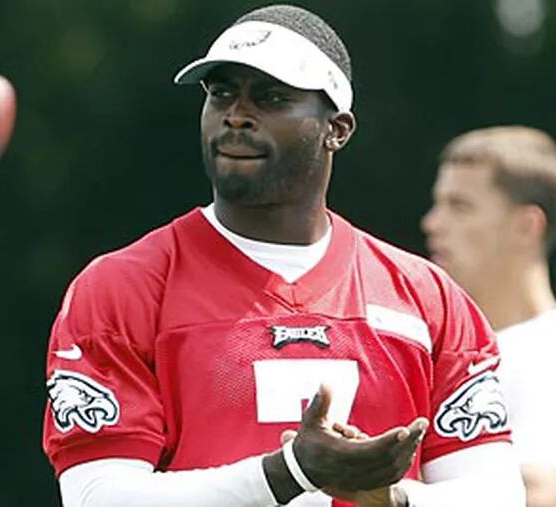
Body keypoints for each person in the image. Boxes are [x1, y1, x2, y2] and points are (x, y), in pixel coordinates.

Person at [42, 5, 525, 506]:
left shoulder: (428, 299)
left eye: (271, 98)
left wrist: (392, 499)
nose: (236, 115)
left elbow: (497, 496)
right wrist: (288, 472)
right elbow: (98, 497)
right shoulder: (123, 288)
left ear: (337, 129)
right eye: (221, 93)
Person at [421, 125, 556, 507]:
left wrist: (398, 491)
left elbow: (542, 496)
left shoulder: (555, 355)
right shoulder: (451, 350)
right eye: (438, 203)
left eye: (460, 206)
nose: (432, 222)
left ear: (527, 226)